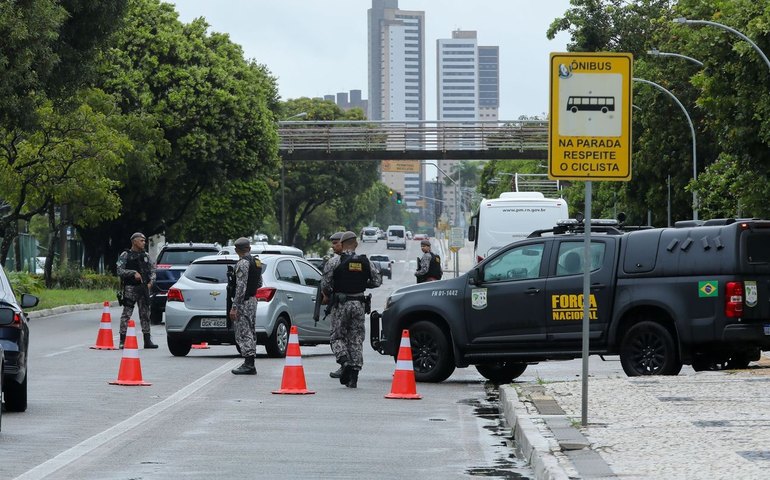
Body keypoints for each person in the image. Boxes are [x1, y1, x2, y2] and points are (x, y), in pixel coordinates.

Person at [321, 231, 381, 388]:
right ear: (355, 244)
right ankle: (354, 377)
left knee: (336, 336)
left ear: (342, 243)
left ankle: (344, 361)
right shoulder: (365, 262)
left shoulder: (334, 262)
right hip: (359, 304)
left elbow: (326, 285)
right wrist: (361, 283)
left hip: (341, 304)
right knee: (356, 339)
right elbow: (376, 281)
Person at [116, 232, 158, 349]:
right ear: (134, 241)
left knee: (145, 314)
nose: (143, 243)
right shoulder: (125, 255)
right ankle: (122, 340)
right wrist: (133, 273)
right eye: (141, 240)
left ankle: (147, 340)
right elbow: (119, 270)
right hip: (131, 288)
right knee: (126, 314)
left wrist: (151, 282)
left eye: (144, 241)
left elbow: (153, 270)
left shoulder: (146, 256)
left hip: (144, 288)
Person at [229, 237, 262, 375]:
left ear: (237, 250)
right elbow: (260, 283)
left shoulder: (242, 263)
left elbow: (241, 287)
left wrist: (235, 306)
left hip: (243, 301)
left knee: (244, 331)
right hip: (252, 299)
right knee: (250, 330)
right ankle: (250, 361)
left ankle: (249, 364)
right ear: (249, 248)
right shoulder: (257, 261)